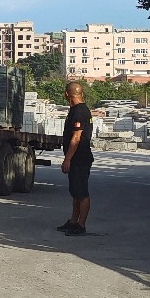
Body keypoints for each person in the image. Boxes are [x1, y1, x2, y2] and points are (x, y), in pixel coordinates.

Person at [58, 80, 94, 236]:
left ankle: (81, 225)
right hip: (77, 158)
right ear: (81, 93)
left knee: (82, 193)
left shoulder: (79, 111)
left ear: (67, 94)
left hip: (80, 158)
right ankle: (73, 222)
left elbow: (76, 138)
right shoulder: (76, 110)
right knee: (75, 192)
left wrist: (67, 159)